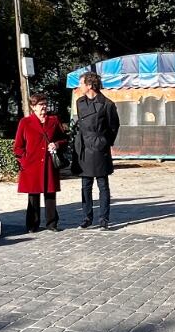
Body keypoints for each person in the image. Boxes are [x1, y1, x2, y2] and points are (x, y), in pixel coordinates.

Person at [73, 72, 121, 230]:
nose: (79, 86)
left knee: (102, 184)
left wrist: (104, 141)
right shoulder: (80, 102)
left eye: (81, 83)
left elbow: (114, 126)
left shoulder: (107, 104)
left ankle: (103, 219)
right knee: (85, 184)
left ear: (90, 85)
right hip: (84, 147)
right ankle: (86, 218)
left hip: (99, 146)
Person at [13, 94, 65, 233]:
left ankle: (52, 223)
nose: (44, 107)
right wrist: (24, 161)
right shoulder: (25, 122)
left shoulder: (54, 121)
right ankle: (32, 224)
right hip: (32, 165)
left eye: (45, 104)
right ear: (33, 107)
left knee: (50, 194)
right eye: (40, 104)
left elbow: (64, 139)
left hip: (49, 163)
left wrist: (57, 145)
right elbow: (18, 147)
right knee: (33, 196)